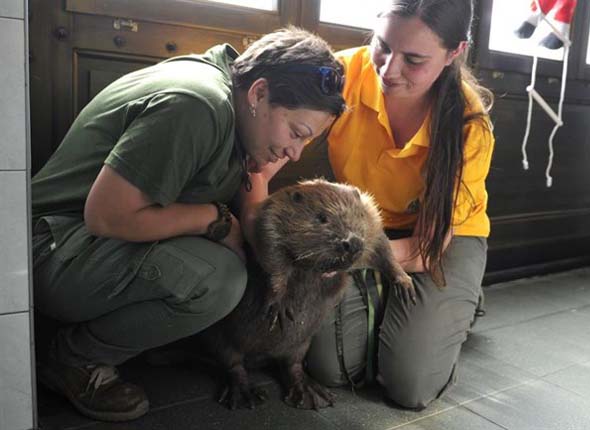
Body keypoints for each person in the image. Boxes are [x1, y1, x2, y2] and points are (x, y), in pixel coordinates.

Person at [31, 27, 345, 422]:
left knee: (235, 263)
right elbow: (106, 215)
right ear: (260, 93)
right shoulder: (196, 105)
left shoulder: (238, 97)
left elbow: (250, 209)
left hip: (86, 244)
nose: (295, 154)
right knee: (219, 279)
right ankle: (73, 359)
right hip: (46, 252)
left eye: (306, 143)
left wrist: (291, 260)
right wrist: (212, 219)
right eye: (296, 134)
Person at [241, 0, 494, 410]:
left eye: (413, 60)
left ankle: (460, 300)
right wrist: (257, 230)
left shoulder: (468, 123)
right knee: (330, 369)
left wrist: (345, 259)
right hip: (354, 228)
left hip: (435, 244)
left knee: (409, 386)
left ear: (454, 54)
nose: (389, 70)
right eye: (383, 46)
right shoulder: (341, 75)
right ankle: (393, 301)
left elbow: (424, 248)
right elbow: (259, 165)